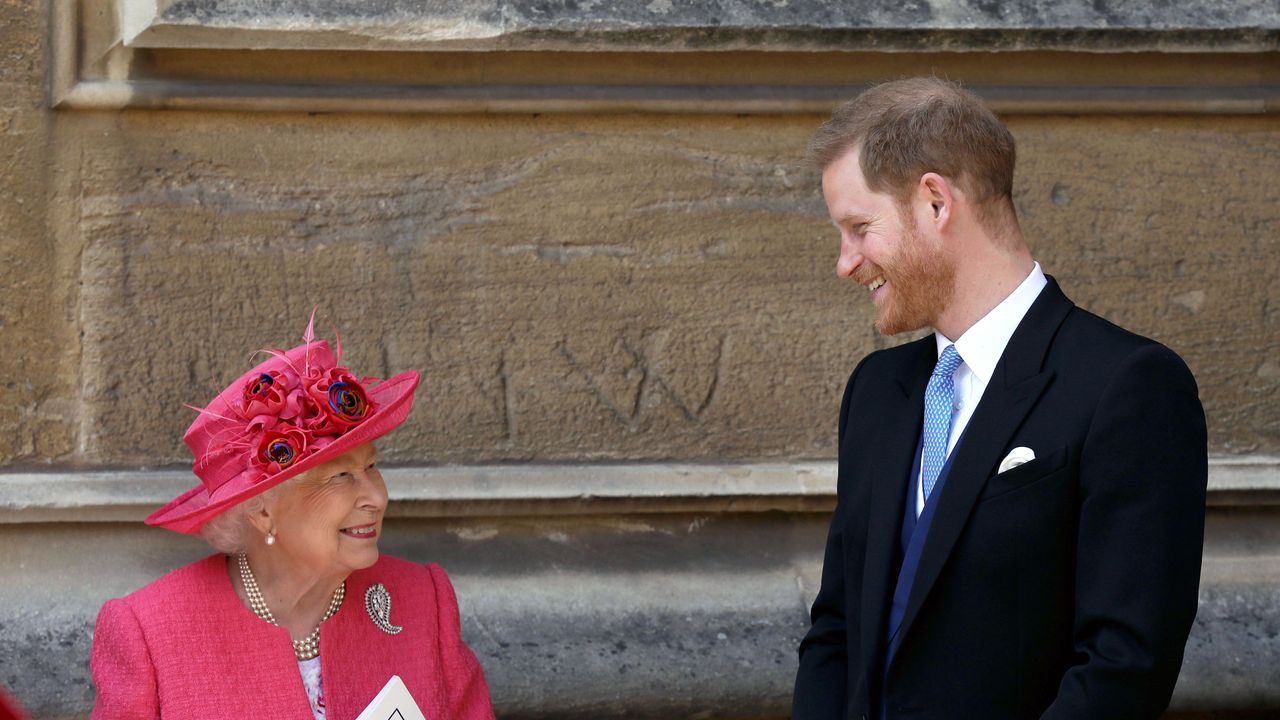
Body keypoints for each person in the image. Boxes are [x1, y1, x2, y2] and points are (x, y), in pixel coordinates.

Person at [791, 78, 1207, 720]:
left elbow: (1124, 667)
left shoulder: (1129, 386)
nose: (845, 263)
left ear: (934, 202)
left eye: (859, 228)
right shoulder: (877, 392)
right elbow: (838, 629)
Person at [90, 316, 495, 719]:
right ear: (262, 509)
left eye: (371, 467)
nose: (376, 496)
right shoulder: (150, 632)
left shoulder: (424, 600)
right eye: (340, 476)